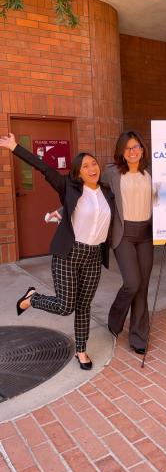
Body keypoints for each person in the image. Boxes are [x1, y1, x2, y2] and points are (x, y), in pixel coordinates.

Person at [1, 133, 113, 370]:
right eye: (85, 166)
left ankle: (81, 351)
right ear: (78, 172)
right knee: (65, 306)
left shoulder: (106, 192)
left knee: (84, 306)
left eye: (93, 163)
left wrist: (61, 211)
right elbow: (44, 168)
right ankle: (33, 299)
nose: (92, 168)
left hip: (93, 256)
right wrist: (14, 147)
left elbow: (90, 212)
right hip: (69, 254)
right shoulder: (69, 187)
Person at [101, 131, 153, 355]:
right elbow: (90, 191)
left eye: (137, 147)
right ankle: (115, 318)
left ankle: (139, 337)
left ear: (142, 149)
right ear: (122, 152)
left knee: (142, 287)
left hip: (146, 234)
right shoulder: (111, 173)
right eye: (128, 148)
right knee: (132, 282)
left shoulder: (151, 173)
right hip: (123, 234)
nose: (133, 152)